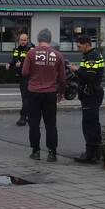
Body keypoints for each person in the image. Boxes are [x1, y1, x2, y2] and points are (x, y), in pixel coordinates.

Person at [22, 29, 67, 162]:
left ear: (38, 38)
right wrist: (61, 93)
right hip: (50, 93)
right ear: (49, 39)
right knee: (51, 124)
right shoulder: (58, 55)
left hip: (34, 92)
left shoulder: (31, 53)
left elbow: (24, 72)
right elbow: (63, 79)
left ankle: (35, 152)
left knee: (34, 123)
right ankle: (52, 153)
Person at [70, 35, 105, 163]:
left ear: (87, 44)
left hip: (91, 94)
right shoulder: (92, 55)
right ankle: (96, 153)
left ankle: (89, 155)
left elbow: (89, 76)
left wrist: (76, 70)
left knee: (89, 125)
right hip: (92, 93)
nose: (78, 49)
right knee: (94, 124)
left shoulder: (92, 57)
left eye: (79, 46)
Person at [6, 33, 34, 126]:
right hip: (22, 76)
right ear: (19, 40)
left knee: (26, 98)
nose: (23, 42)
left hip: (29, 77)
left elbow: (32, 63)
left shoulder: (31, 49)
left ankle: (23, 118)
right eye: (21, 40)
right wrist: (9, 64)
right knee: (26, 98)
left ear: (28, 40)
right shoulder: (17, 49)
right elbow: (14, 59)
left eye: (24, 40)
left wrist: (21, 65)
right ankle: (31, 117)